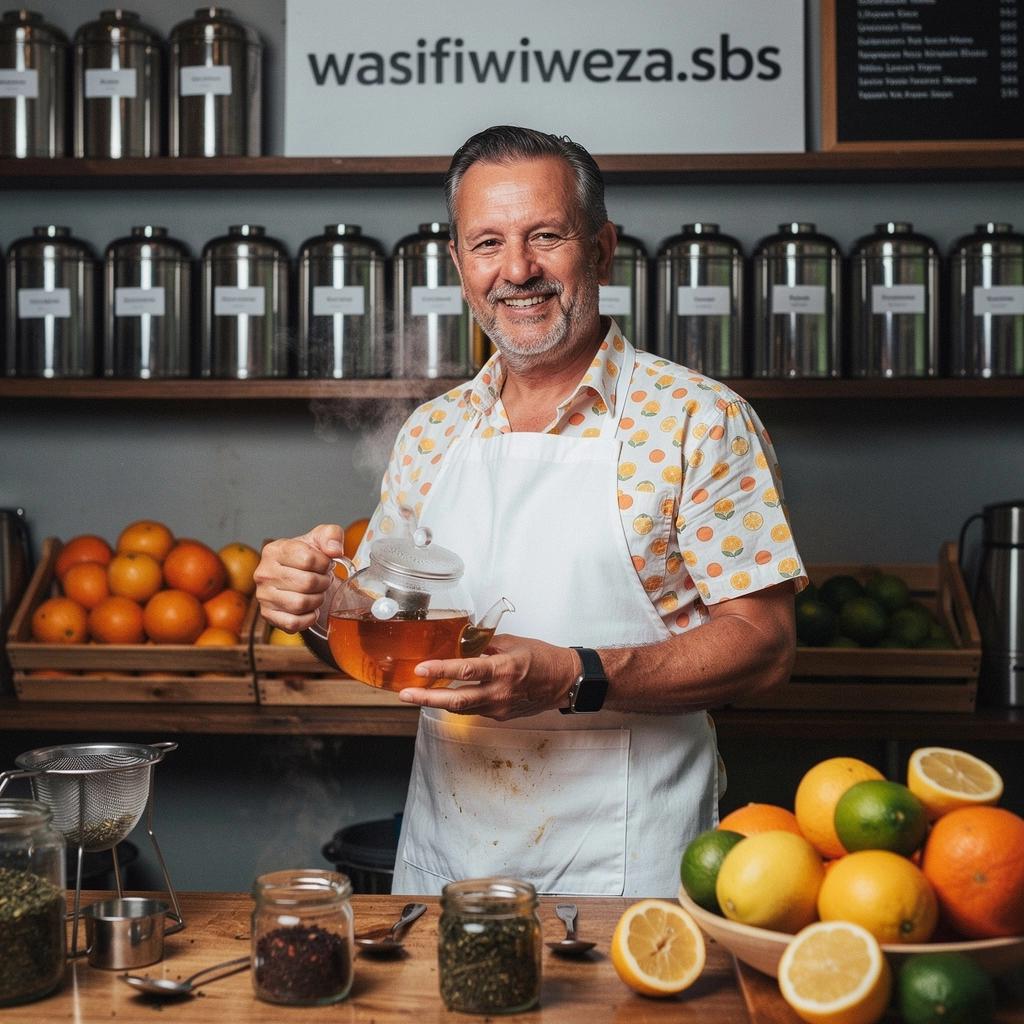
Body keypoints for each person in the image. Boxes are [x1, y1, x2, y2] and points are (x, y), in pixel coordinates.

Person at [255, 125, 806, 897]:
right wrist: (316, 607)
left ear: (603, 249)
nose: (517, 270)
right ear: (458, 264)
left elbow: (765, 645)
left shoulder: (699, 421)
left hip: (628, 871)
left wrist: (571, 676)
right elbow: (381, 640)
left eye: (546, 236)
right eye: (487, 243)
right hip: (448, 865)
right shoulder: (433, 432)